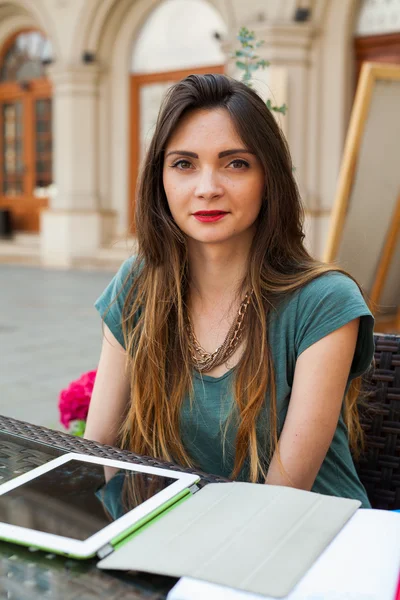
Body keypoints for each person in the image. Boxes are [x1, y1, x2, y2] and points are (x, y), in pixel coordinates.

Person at [84, 73, 374, 507]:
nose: (207, 188)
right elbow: (99, 447)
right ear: (160, 181)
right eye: (184, 164)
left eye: (235, 163)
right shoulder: (139, 283)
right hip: (178, 534)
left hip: (311, 544)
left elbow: (282, 500)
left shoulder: (323, 302)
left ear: (268, 177)